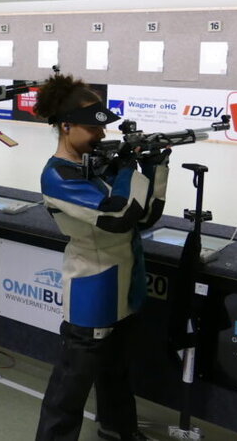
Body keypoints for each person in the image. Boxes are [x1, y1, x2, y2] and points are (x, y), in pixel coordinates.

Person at [32, 74, 169, 441]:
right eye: (92, 128)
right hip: (91, 285)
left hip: (124, 279)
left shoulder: (98, 165)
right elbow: (117, 215)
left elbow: (145, 217)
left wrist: (155, 168)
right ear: (66, 127)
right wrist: (126, 168)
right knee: (71, 384)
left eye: (102, 128)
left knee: (116, 371)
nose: (101, 135)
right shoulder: (58, 175)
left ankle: (117, 428)